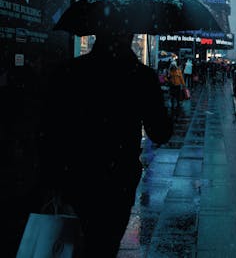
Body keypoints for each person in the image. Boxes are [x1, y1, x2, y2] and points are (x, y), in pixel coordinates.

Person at [38, 30, 173, 257]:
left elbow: (50, 128)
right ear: (129, 36)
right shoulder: (141, 77)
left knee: (78, 241)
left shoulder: (69, 71)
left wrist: (52, 177)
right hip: (117, 180)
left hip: (75, 175)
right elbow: (160, 133)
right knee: (104, 245)